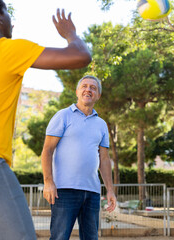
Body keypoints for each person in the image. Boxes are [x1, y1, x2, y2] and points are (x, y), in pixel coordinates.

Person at [0, 0, 91, 239]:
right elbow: (80, 56)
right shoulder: (2, 50)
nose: (11, 19)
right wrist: (70, 34)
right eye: (7, 12)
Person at [41, 75, 117, 240]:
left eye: (93, 88)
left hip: (92, 192)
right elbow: (47, 151)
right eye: (84, 86)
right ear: (77, 91)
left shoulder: (101, 124)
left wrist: (110, 189)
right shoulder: (62, 116)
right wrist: (48, 182)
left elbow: (104, 159)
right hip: (64, 191)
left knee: (91, 238)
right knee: (59, 237)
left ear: (98, 95)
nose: (88, 90)